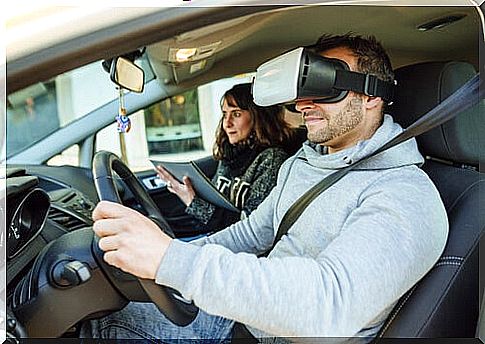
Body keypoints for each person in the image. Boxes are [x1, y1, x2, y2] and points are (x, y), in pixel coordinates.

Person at [84, 34, 448, 342]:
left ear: (372, 96)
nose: (303, 104)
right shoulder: (305, 163)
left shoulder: (404, 194)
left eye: (324, 86)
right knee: (97, 315)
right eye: (302, 89)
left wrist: (171, 261)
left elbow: (329, 304)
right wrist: (164, 253)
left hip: (279, 332)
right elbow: (250, 234)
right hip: (247, 318)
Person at [156, 83, 292, 233]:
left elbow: (250, 227)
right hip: (216, 235)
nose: (227, 124)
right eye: (225, 114)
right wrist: (185, 191)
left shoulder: (271, 159)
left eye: (236, 114)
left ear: (258, 117)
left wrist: (192, 202)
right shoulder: (230, 153)